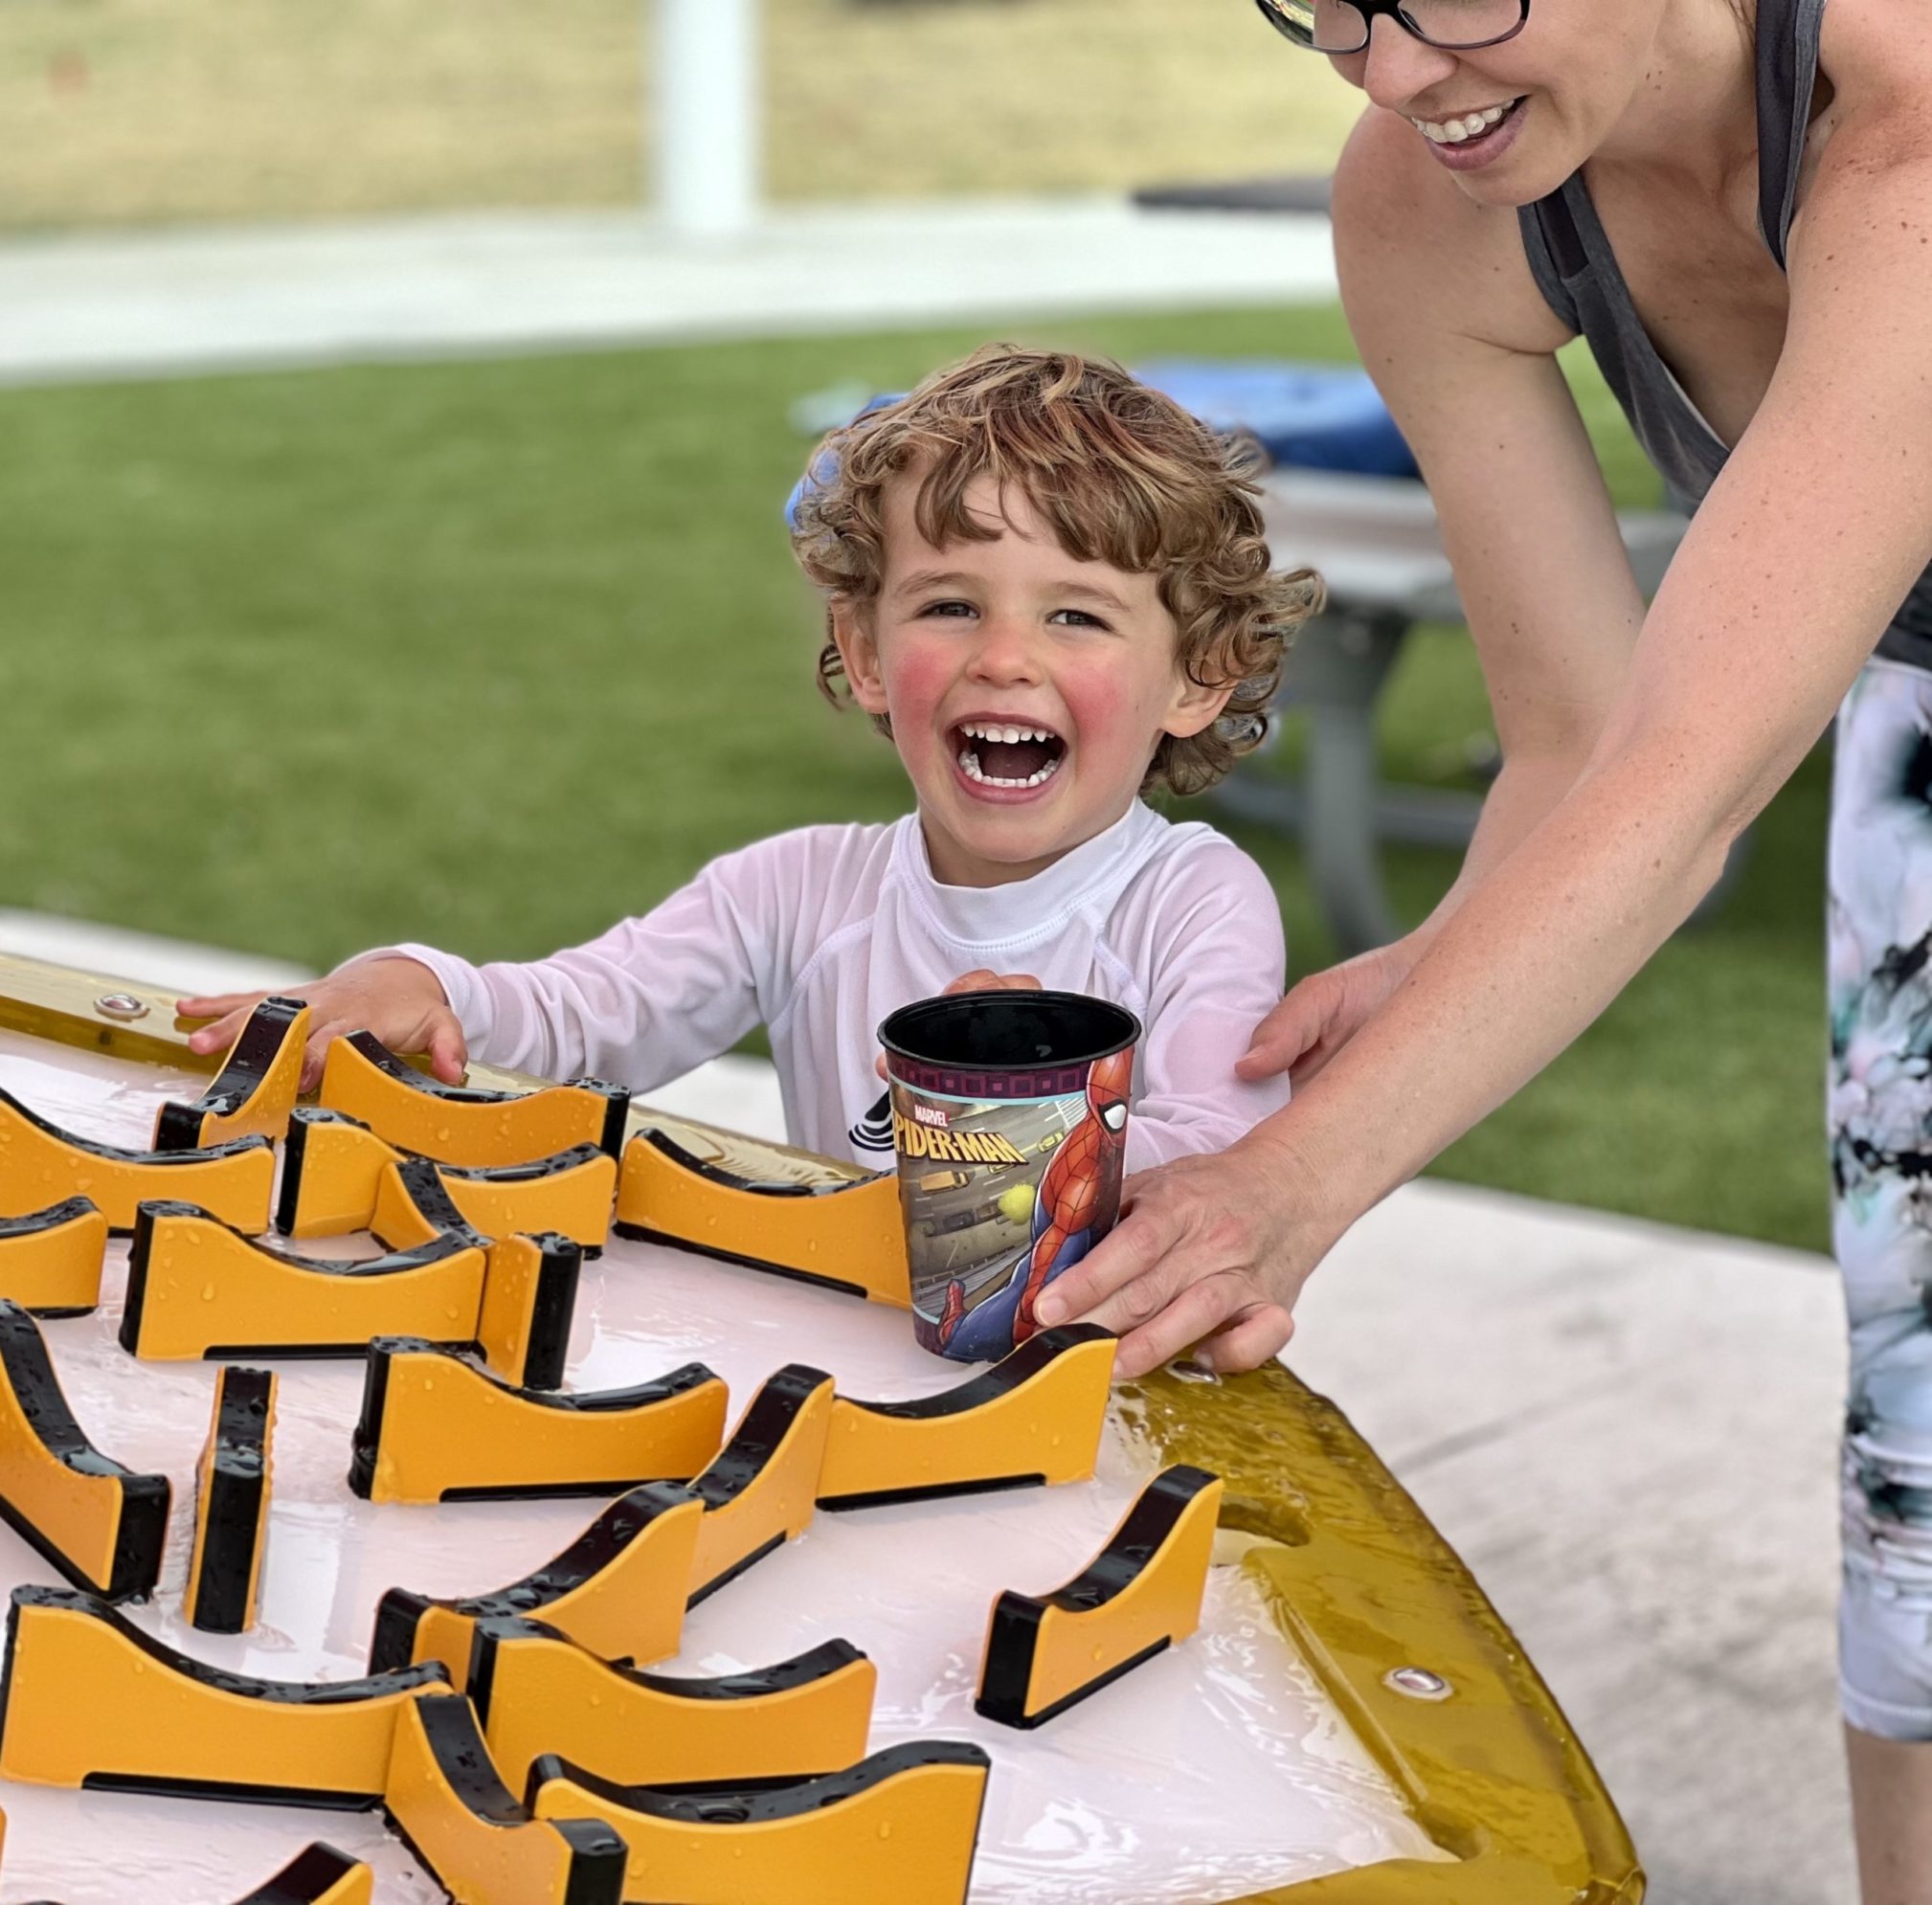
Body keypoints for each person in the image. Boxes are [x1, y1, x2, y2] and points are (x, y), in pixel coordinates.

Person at [1024, 1, 1932, 1895]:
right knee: (1919, 1486)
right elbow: (1585, 741)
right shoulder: (1434, 201)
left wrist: (1285, 1185)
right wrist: (1454, 960)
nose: (1391, 73)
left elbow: (1692, 777)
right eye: (1325, 13)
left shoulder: (1903, 121)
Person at [181, 346, 1312, 1183]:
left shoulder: (1189, 901)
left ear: (1195, 677)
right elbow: (591, 1014)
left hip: (1103, 1397)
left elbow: (1224, 1147)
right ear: (864, 651)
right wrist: (427, 988)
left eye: (1076, 617)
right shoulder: (797, 892)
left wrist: (1041, 1097)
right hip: (849, 1371)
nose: (1004, 659)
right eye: (951, 605)